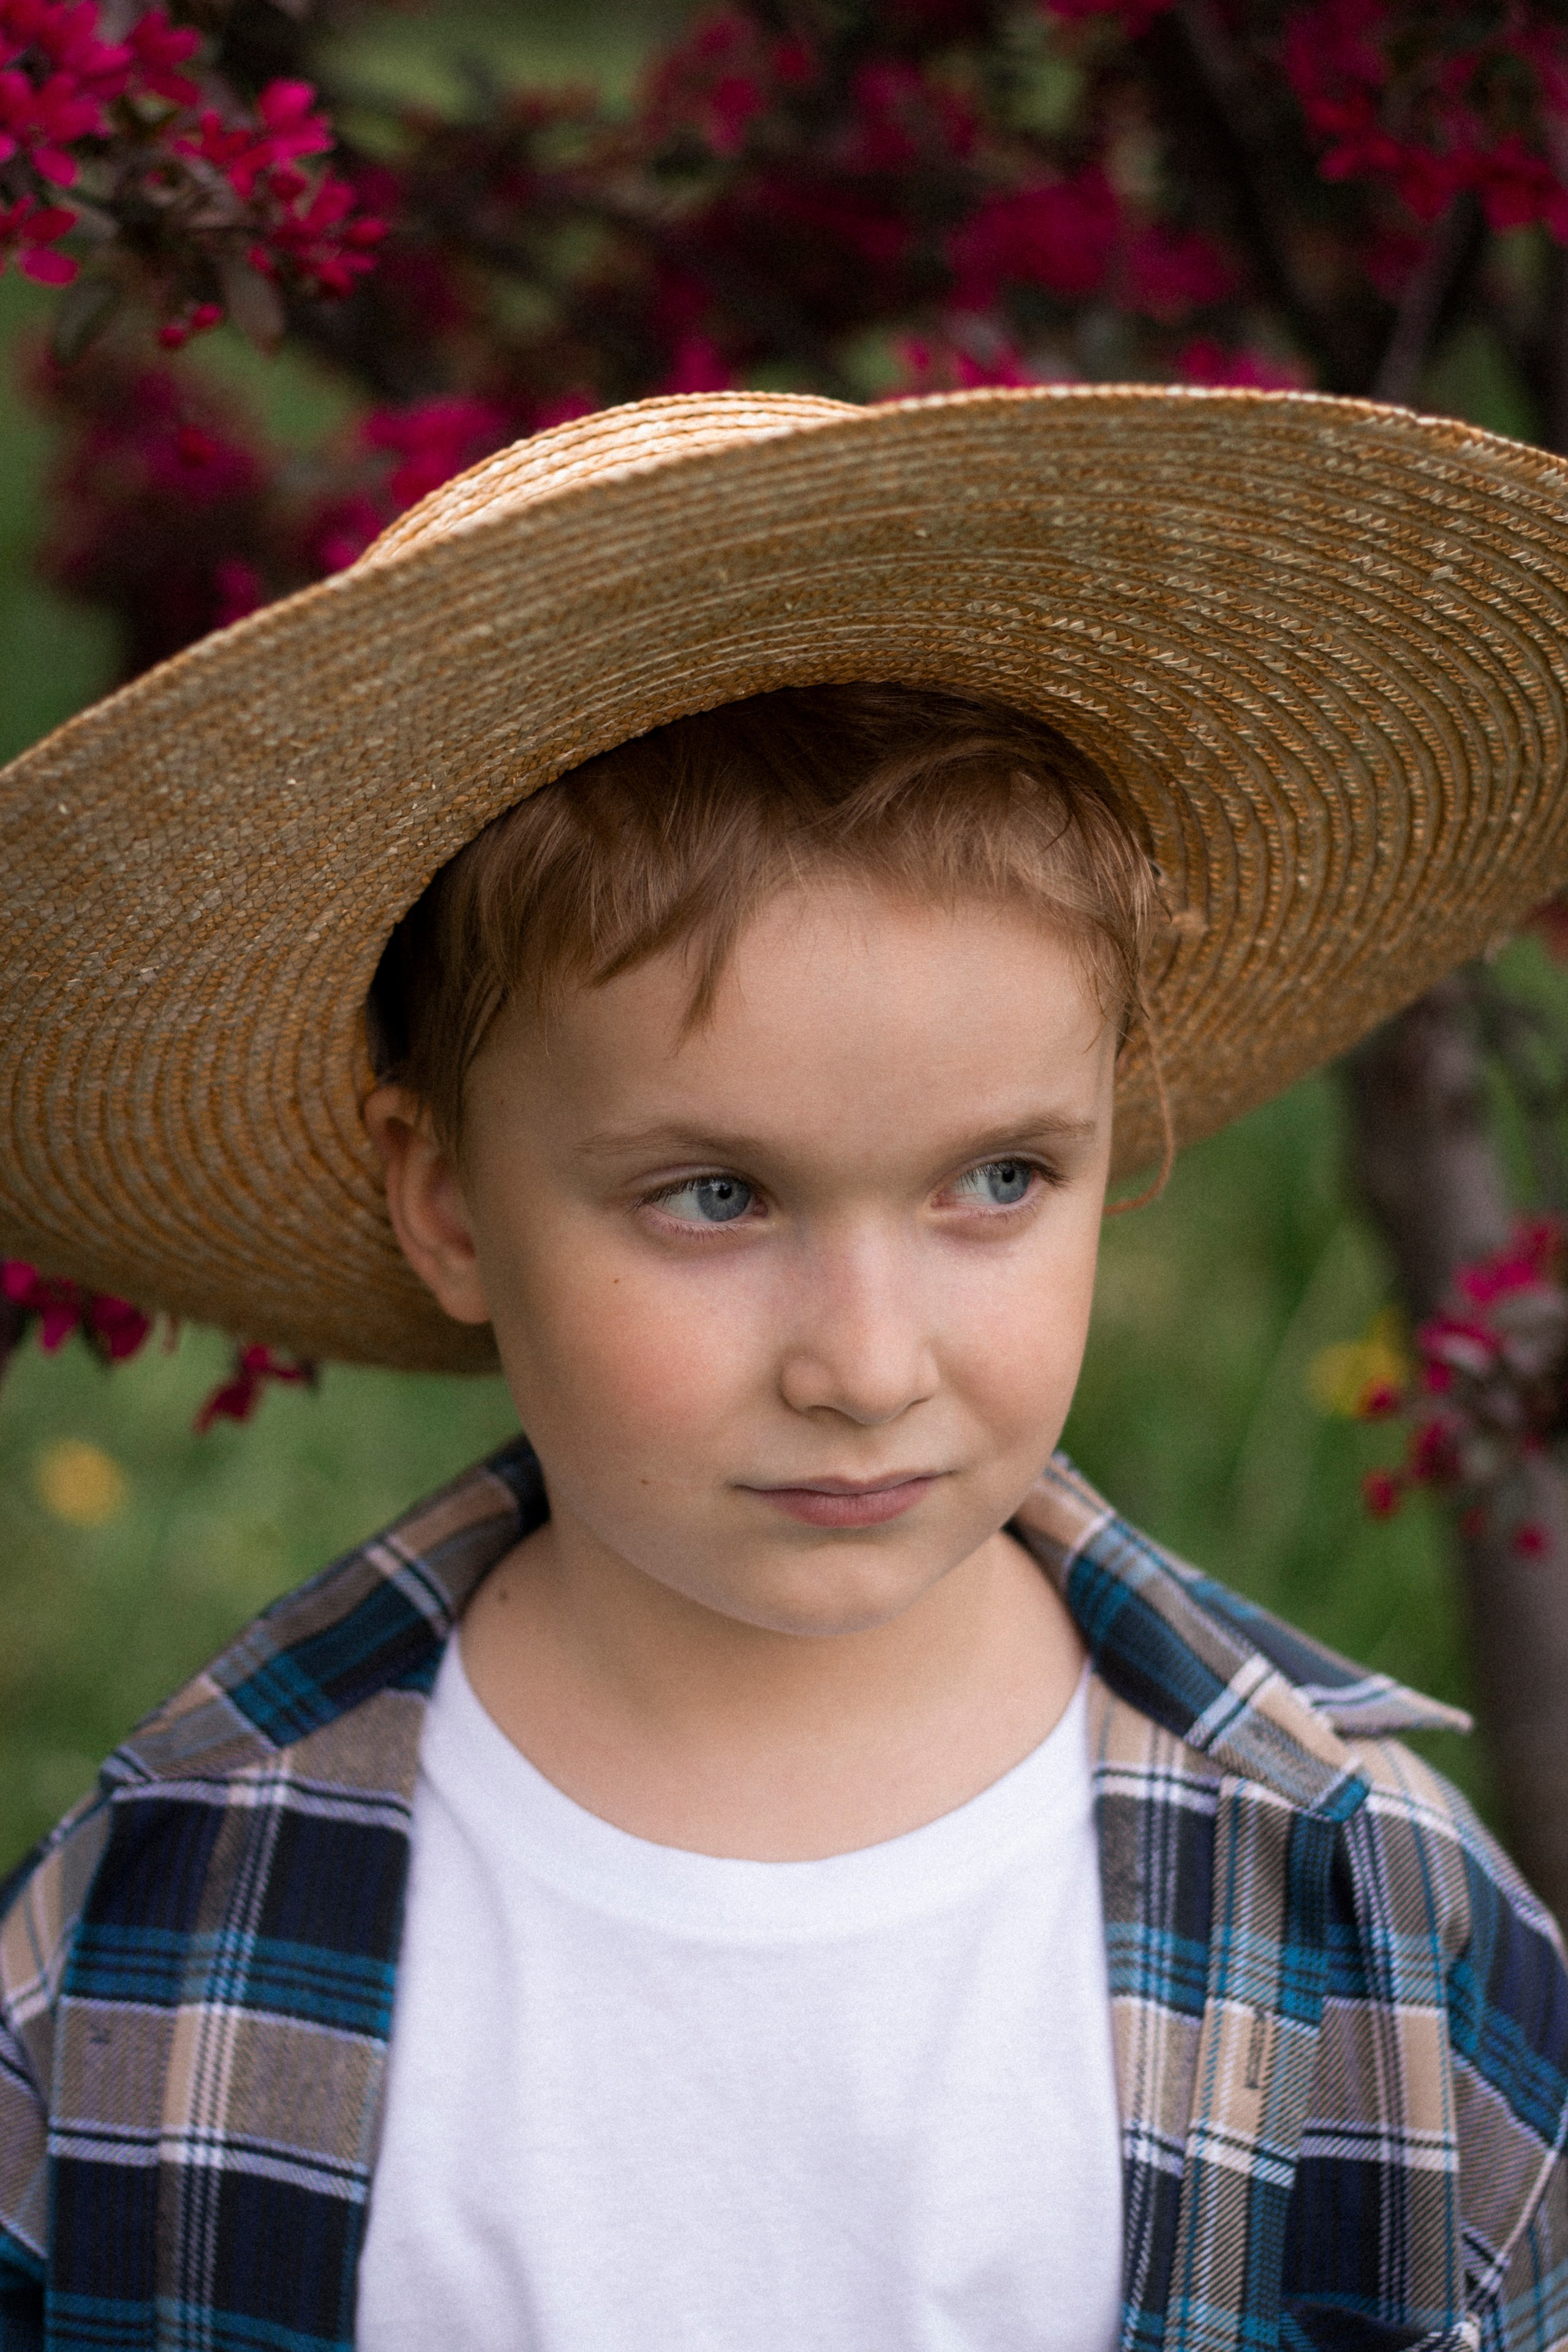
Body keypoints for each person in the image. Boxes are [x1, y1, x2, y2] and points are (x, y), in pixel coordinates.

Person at [1, 386, 1566, 2352]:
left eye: (999, 1180)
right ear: (450, 1203)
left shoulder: (1371, 1919)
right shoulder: (155, 1922)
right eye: (716, 1196)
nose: (867, 1364)